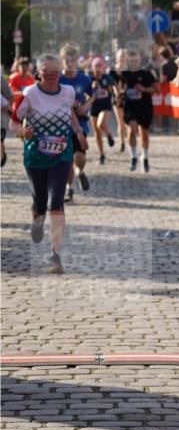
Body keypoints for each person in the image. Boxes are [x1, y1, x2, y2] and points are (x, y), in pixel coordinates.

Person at [11, 54, 88, 274]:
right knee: (40, 203)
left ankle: (55, 255)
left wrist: (78, 132)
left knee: (56, 202)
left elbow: (70, 113)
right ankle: (37, 218)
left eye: (55, 71)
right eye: (46, 71)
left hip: (61, 155)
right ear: (38, 73)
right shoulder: (29, 94)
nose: (51, 75)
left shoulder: (68, 92)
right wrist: (23, 131)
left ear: (60, 72)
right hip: (35, 156)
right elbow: (13, 122)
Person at [59, 43, 93, 202]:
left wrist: (86, 106)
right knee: (67, 160)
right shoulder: (57, 79)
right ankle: (69, 189)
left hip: (80, 123)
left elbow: (92, 95)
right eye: (67, 60)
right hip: (61, 124)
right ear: (62, 60)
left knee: (79, 157)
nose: (70, 63)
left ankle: (81, 171)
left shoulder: (83, 78)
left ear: (77, 61)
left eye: (72, 60)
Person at [120, 49, 158, 172]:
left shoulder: (147, 74)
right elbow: (119, 88)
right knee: (131, 129)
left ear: (140, 60)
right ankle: (133, 156)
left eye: (136, 61)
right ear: (128, 61)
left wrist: (144, 89)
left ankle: (145, 157)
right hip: (130, 106)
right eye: (132, 61)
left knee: (144, 134)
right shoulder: (124, 74)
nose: (134, 63)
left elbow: (156, 89)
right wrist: (121, 93)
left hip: (145, 106)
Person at [89, 57, 116, 163]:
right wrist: (92, 88)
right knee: (97, 133)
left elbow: (113, 88)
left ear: (103, 67)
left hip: (105, 106)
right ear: (92, 67)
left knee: (101, 124)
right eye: (96, 66)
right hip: (93, 107)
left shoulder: (107, 78)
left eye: (100, 66)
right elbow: (86, 95)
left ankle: (108, 134)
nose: (98, 68)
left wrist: (116, 94)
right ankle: (102, 154)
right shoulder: (89, 79)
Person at [110, 49, 129, 152]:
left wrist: (124, 90)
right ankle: (122, 143)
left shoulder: (129, 70)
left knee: (128, 122)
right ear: (117, 57)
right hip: (117, 99)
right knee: (121, 122)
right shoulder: (113, 70)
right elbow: (112, 84)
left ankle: (130, 141)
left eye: (124, 55)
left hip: (127, 98)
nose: (122, 57)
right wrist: (117, 93)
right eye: (120, 55)